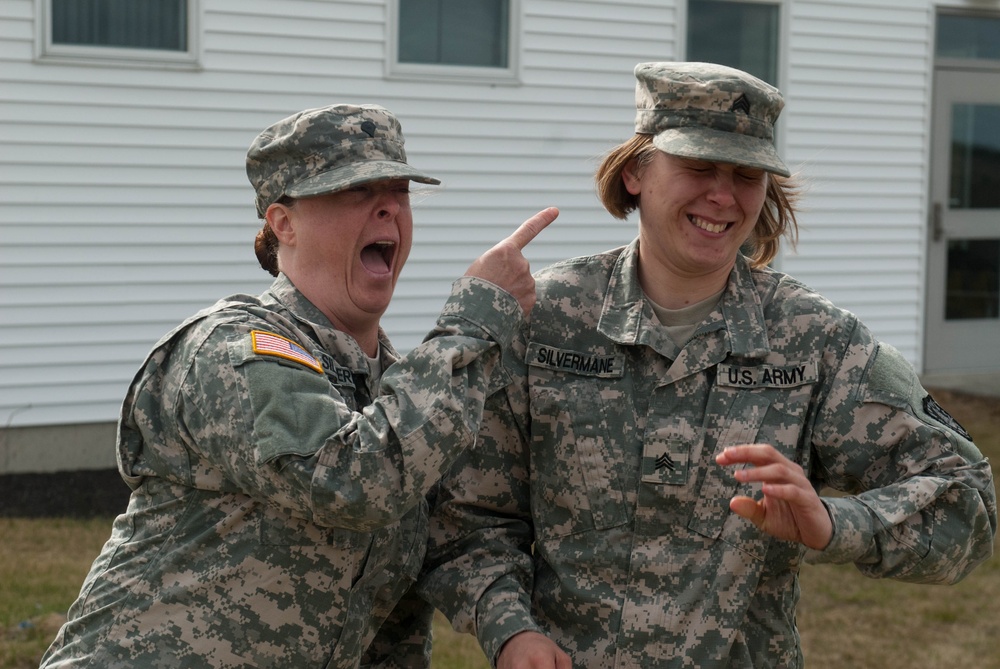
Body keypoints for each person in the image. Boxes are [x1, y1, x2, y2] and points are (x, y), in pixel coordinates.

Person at [418, 62, 998, 669]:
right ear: (637, 170)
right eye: (698, 167)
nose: (723, 195)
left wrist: (832, 522)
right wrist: (511, 630)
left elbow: (967, 504)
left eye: (748, 174)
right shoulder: (545, 319)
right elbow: (468, 516)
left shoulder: (816, 341)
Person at [40, 103, 557, 668]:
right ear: (283, 223)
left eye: (398, 190)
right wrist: (473, 325)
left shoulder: (400, 393)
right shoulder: (234, 350)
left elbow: (430, 556)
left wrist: (512, 632)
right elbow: (354, 480)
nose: (387, 206)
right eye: (355, 191)